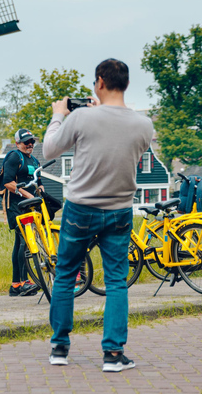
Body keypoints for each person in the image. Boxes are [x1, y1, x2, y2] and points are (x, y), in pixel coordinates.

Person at [42, 59, 153, 372]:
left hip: (80, 208)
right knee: (117, 281)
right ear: (126, 84)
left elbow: (50, 149)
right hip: (119, 209)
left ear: (100, 82)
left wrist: (58, 115)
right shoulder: (144, 125)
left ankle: (60, 348)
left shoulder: (80, 118)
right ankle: (113, 355)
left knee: (65, 275)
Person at [1, 129, 41, 297]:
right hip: (16, 205)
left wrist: (40, 195)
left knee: (20, 242)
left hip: (30, 205)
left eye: (31, 141)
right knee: (25, 241)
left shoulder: (35, 160)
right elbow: (8, 182)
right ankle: (23, 282)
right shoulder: (14, 157)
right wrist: (26, 194)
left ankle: (16, 284)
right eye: (26, 142)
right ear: (18, 143)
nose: (29, 144)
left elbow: (39, 182)